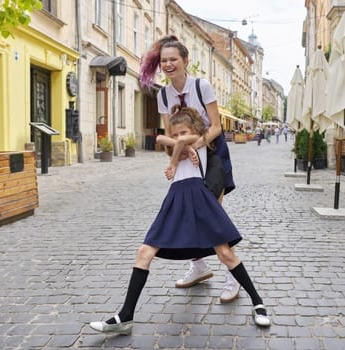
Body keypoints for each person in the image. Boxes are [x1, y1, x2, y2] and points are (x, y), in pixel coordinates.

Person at [88, 106, 271, 335]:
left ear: (194, 129)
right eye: (174, 134)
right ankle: (125, 316)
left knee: (225, 253)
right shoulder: (178, 147)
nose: (178, 138)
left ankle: (258, 303)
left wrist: (181, 147)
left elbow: (188, 139)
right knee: (144, 252)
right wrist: (176, 152)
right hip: (175, 198)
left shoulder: (202, 141)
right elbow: (160, 137)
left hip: (199, 198)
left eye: (183, 132)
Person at [139, 35, 240, 303]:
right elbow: (168, 131)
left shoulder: (201, 85)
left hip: (213, 153)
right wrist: (177, 150)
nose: (169, 64)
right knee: (189, 211)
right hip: (183, 154)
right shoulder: (163, 94)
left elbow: (216, 126)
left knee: (212, 213)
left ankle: (233, 276)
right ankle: (199, 267)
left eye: (174, 59)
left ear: (185, 61)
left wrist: (196, 144)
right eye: (164, 61)